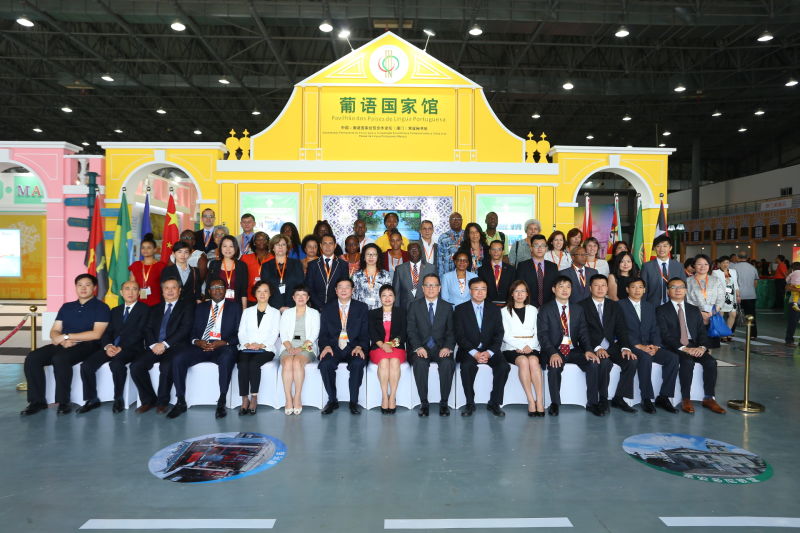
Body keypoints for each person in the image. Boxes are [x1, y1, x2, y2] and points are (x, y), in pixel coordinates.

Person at [21, 274, 110, 416]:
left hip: (88, 345)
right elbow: (54, 330)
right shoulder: (67, 307)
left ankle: (63, 402)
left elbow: (96, 334)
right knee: (33, 358)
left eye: (87, 285)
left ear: (94, 287)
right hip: (64, 343)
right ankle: (37, 401)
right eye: (80, 285)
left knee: (60, 358)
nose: (83, 288)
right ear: (75, 287)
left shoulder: (102, 307)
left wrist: (68, 336)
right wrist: (62, 340)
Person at [168, 278, 242, 419]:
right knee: (178, 358)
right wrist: (197, 341)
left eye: (220, 287)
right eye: (214, 288)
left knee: (227, 358)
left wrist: (224, 342)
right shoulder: (200, 307)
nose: (217, 290)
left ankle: (221, 400)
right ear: (209, 291)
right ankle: (181, 401)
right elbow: (191, 331)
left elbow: (240, 333)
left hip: (222, 346)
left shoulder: (235, 307)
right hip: (201, 345)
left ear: (225, 290)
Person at [77, 280, 149, 414]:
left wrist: (121, 347)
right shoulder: (115, 310)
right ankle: (91, 399)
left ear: (139, 293)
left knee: (116, 364)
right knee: (86, 365)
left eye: (134, 289)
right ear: (121, 292)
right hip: (112, 347)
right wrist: (108, 346)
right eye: (127, 289)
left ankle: (118, 398)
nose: (131, 292)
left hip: (132, 348)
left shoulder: (144, 309)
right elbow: (107, 332)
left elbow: (140, 332)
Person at [656, 278, 726, 414]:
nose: (678, 290)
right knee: (687, 362)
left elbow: (702, 332)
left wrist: (702, 347)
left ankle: (709, 398)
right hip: (675, 347)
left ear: (686, 290)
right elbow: (665, 336)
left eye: (681, 287)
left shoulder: (694, 310)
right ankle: (686, 398)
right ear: (668, 291)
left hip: (694, 345)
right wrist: (684, 348)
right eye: (673, 287)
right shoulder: (661, 310)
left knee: (711, 362)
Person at [537, 276, 602, 416]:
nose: (565, 290)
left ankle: (592, 403)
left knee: (593, 363)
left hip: (573, 350)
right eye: (561, 286)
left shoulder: (577, 309)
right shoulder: (545, 309)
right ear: (554, 289)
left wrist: (589, 350)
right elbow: (543, 335)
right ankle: (555, 403)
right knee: (554, 367)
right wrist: (552, 352)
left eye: (568, 286)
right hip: (555, 350)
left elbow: (584, 333)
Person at [129, 277, 194, 413]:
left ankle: (162, 402)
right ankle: (148, 400)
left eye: (173, 287)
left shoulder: (187, 307)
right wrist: (153, 345)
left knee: (166, 366)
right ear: (162, 291)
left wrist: (164, 344)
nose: (170, 291)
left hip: (175, 347)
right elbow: (147, 328)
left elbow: (184, 329)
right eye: (166, 288)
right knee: (136, 366)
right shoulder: (154, 309)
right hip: (155, 346)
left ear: (179, 290)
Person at [617, 277, 679, 414]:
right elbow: (620, 330)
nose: (637, 290)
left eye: (640, 287)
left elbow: (655, 328)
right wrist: (638, 346)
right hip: (631, 346)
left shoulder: (649, 306)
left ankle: (664, 396)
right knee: (645, 358)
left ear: (644, 290)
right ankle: (646, 398)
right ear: (627, 289)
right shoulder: (619, 305)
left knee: (672, 358)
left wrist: (655, 345)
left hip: (649, 345)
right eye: (633, 287)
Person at [578, 275, 637, 414]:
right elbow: (582, 331)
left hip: (611, 347)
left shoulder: (614, 305)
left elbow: (621, 329)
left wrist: (625, 347)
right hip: (592, 347)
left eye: (603, 285)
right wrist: (596, 348)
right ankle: (602, 399)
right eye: (596, 285)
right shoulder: (581, 306)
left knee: (631, 361)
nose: (600, 288)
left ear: (607, 287)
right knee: (604, 362)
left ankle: (619, 398)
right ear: (590, 288)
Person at [453, 278, 509, 417]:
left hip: (490, 349)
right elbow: (459, 336)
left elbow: (499, 333)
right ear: (470, 291)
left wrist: (489, 352)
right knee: (466, 367)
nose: (480, 292)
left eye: (483, 289)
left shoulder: (494, 310)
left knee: (503, 367)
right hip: (468, 350)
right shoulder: (460, 309)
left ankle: (494, 402)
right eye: (476, 289)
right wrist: (474, 353)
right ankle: (470, 403)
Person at [406, 273, 456, 417]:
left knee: (447, 364)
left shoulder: (447, 307)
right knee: (420, 364)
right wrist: (418, 347)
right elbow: (411, 330)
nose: (431, 288)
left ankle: (444, 403)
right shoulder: (414, 306)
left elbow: (451, 331)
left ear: (439, 288)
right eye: (427, 285)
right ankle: (424, 403)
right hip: (421, 348)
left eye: (434, 285)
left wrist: (447, 347)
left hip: (441, 348)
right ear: (422, 288)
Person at [317, 279, 370, 415]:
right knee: (325, 364)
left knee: (358, 363)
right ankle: (332, 400)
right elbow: (323, 333)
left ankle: (353, 402)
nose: (344, 290)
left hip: (354, 347)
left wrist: (360, 347)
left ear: (353, 290)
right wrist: (326, 346)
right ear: (335, 291)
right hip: (333, 347)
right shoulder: (327, 308)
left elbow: (365, 332)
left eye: (347, 287)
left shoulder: (362, 308)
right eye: (340, 287)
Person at [236, 281, 280, 415]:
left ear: (270, 294)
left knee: (254, 364)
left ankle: (254, 397)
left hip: (266, 348)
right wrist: (248, 344)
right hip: (247, 346)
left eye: (265, 291)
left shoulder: (275, 312)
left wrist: (261, 345)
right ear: (255, 294)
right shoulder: (247, 311)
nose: (262, 294)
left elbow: (274, 332)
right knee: (242, 364)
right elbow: (241, 331)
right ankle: (244, 398)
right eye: (259, 291)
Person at [501, 280, 544, 416]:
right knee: (524, 362)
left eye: (523, 291)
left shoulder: (533, 310)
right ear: (512, 294)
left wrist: (529, 346)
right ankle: (531, 400)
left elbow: (538, 332)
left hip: (532, 346)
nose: (520, 294)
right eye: (516, 291)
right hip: (510, 348)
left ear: (527, 294)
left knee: (533, 361)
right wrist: (519, 346)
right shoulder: (503, 311)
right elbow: (505, 334)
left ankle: (540, 400)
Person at [278, 285, 320, 415]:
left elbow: (314, 334)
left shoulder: (314, 313)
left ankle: (297, 397)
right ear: (293, 297)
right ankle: (288, 398)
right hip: (288, 346)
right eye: (298, 295)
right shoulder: (287, 313)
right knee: (288, 362)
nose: (301, 297)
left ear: (308, 298)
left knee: (297, 362)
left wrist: (300, 348)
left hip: (307, 347)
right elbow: (283, 333)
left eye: (303, 295)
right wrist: (290, 348)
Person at [368, 285, 407, 414]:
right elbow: (372, 332)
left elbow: (404, 332)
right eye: (384, 295)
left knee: (395, 361)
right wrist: (382, 345)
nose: (387, 298)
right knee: (384, 362)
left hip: (396, 346)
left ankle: (393, 397)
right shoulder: (373, 313)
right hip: (378, 347)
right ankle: (385, 396)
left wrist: (391, 344)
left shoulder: (401, 312)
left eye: (390, 295)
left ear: (395, 297)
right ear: (380, 298)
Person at [686, 255, 726, 345]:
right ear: (694, 266)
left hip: (713, 317)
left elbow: (721, 297)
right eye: (699, 264)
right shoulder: (687, 281)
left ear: (709, 266)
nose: (702, 267)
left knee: (710, 344)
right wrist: (700, 313)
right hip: (694, 317)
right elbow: (687, 300)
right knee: (696, 344)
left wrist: (714, 311)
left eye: (705, 264)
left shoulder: (716, 280)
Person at [260, 234, 304, 311]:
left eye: (283, 244)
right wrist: (278, 306)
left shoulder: (297, 264)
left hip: (293, 307)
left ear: (287, 248)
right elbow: (266, 288)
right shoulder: (266, 266)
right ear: (273, 248)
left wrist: (291, 306)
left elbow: (300, 286)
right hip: (272, 307)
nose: (280, 247)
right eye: (277, 244)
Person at [514, 234, 559, 308]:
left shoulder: (553, 267)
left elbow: (556, 288)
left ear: (546, 248)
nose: (540, 248)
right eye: (536, 245)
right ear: (531, 248)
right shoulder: (522, 266)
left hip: (549, 307)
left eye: (542, 245)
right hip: (528, 306)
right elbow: (519, 288)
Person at [305, 234, 349, 310]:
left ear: (335, 245)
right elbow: (309, 288)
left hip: (336, 308)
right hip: (316, 308)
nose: (328, 247)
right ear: (321, 246)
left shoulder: (343, 265)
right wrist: (320, 306)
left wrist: (333, 306)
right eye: (325, 243)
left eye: (330, 243)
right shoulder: (313, 265)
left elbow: (344, 288)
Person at [641, 235, 686, 307]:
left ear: (670, 248)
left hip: (674, 306)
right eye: (658, 246)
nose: (661, 249)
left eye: (665, 246)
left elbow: (684, 287)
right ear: (654, 248)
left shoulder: (678, 266)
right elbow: (643, 288)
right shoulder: (647, 266)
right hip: (653, 306)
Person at [206, 235, 249, 310]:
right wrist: (208, 308)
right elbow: (208, 287)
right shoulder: (214, 264)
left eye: (231, 246)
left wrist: (244, 309)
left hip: (236, 305)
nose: (228, 249)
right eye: (224, 246)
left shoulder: (241, 265)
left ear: (235, 248)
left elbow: (243, 291)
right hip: (217, 305)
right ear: (220, 248)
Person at [393, 241, 435, 309]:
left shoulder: (431, 268)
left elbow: (435, 291)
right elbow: (396, 293)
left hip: (425, 308)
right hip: (405, 309)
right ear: (407, 253)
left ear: (421, 251)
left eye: (416, 250)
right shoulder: (399, 269)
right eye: (411, 250)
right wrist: (396, 311)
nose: (414, 252)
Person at [129, 234, 166, 306]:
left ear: (155, 249)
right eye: (143, 248)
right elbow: (132, 284)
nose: (145, 250)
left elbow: (164, 285)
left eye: (149, 248)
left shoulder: (161, 266)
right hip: (138, 302)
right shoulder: (136, 265)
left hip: (157, 302)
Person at [353, 243, 393, 309]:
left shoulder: (385, 275)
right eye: (368, 254)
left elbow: (389, 295)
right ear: (364, 257)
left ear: (378, 257)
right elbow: (354, 296)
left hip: (380, 311)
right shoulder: (357, 276)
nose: (371, 256)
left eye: (374, 254)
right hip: (361, 312)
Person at [478, 239, 516, 304]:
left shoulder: (511, 270)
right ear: (489, 251)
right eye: (493, 249)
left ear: (503, 252)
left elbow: (513, 288)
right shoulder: (482, 270)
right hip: (488, 305)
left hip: (507, 305)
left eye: (499, 249)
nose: (496, 252)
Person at [731, 250, 759, 339]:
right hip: (751, 295)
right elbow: (755, 283)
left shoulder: (733, 268)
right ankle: (753, 334)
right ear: (747, 258)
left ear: (737, 258)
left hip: (737, 295)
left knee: (733, 314)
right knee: (751, 315)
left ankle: (731, 332)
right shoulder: (753, 268)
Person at [712, 256, 740, 341]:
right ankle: (722, 334)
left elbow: (735, 284)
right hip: (721, 296)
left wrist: (738, 295)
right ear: (719, 264)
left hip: (732, 296)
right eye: (723, 262)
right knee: (721, 315)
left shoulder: (733, 271)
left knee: (733, 315)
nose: (725, 264)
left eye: (727, 262)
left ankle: (727, 332)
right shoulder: (715, 272)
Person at [241, 231, 272, 306]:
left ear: (268, 242)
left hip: (270, 297)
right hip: (250, 297)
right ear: (254, 242)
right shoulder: (245, 258)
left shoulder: (273, 258)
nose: (261, 241)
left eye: (264, 239)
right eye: (258, 239)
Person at [437, 212, 465, 276]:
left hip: (465, 275)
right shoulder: (443, 237)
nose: (455, 221)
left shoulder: (467, 236)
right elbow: (440, 261)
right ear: (449, 221)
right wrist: (442, 279)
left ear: (462, 221)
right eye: (453, 219)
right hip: (448, 275)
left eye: (458, 218)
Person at [784, 262, 800, 346]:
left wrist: (794, 288)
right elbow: (787, 287)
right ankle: (789, 340)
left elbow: (788, 286)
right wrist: (797, 289)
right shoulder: (793, 275)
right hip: (794, 301)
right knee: (792, 321)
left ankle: (789, 340)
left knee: (792, 321)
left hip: (794, 301)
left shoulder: (792, 275)